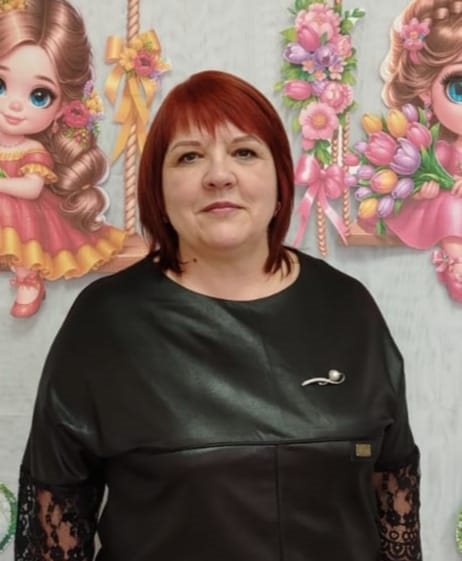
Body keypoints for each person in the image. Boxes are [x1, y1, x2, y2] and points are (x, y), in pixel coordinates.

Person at [15, 70, 421, 561]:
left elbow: (393, 491)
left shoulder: (348, 307)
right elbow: (55, 522)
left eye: (244, 152)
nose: (219, 175)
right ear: (158, 191)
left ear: (280, 180)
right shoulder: (106, 321)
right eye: (189, 157)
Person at [0, 0, 125, 318]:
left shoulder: (32, 151)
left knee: (14, 214)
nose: (14, 106)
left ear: (62, 109)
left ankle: (29, 278)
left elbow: (31, 188)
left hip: (21, 210)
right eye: (1, 86)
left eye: (38, 96)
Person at [380, 0, 462, 301]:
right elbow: (414, 183)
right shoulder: (439, 150)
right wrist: (423, 191)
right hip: (452, 211)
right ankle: (457, 263)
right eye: (459, 89)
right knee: (451, 204)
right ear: (427, 91)